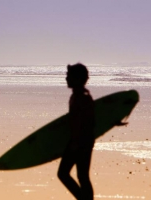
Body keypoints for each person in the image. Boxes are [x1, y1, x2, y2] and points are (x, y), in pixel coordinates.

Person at [57, 63, 95, 200]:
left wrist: (74, 142)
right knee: (82, 176)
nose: (66, 79)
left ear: (78, 79)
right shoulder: (81, 95)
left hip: (79, 141)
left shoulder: (81, 97)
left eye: (69, 76)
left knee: (64, 173)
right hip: (84, 140)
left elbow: (79, 121)